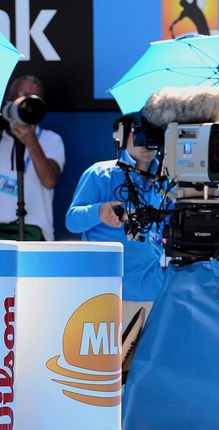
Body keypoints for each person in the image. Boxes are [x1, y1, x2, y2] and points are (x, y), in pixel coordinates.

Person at [66, 113, 165, 329]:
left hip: (153, 291)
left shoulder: (167, 180)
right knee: (108, 363)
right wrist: (99, 211)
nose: (146, 142)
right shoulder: (100, 173)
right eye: (139, 134)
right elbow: (72, 221)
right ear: (121, 136)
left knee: (145, 362)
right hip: (105, 291)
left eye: (153, 134)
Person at [0, 75, 65, 240]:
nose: (27, 102)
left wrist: (30, 141)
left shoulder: (51, 139)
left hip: (34, 232)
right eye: (22, 94)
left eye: (36, 98)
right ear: (9, 101)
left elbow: (49, 180)